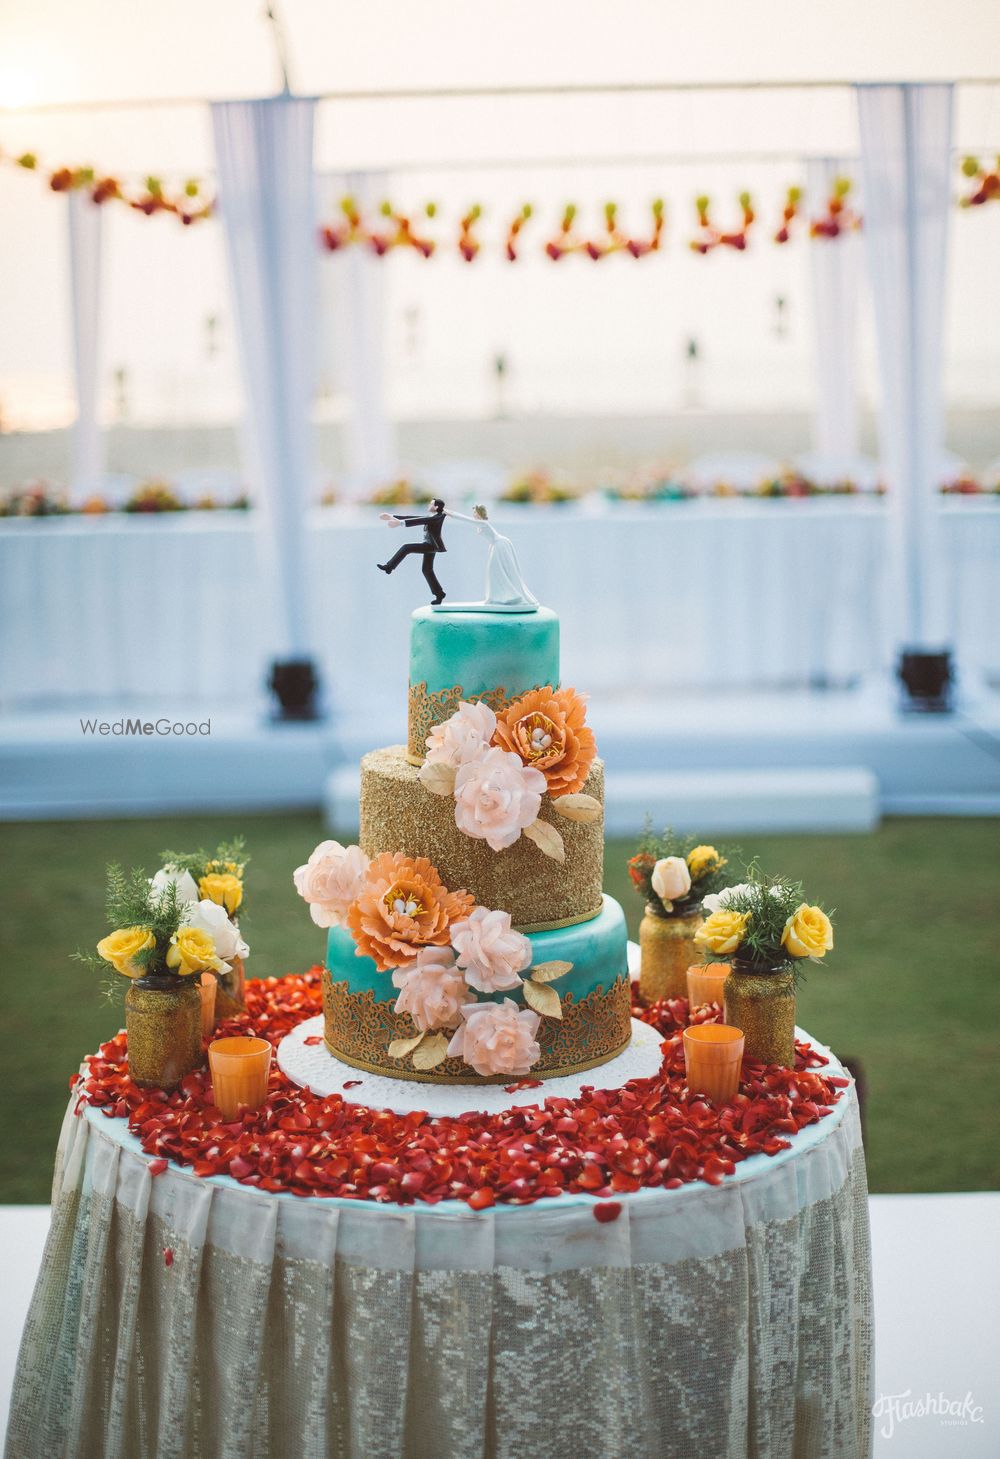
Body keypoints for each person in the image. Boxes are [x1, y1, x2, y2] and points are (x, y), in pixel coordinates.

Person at [443, 505, 538, 610]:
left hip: (500, 544)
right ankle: (499, 597)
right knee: (495, 572)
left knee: (497, 571)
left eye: (475, 513)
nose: (474, 515)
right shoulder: (481, 524)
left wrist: (448, 512)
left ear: (480, 513)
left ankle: (509, 596)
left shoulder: (483, 523)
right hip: (495, 545)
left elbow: (465, 519)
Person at [377, 499, 447, 604]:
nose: (428, 505)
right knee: (427, 570)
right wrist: (391, 516)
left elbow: (418, 521)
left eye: (431, 504)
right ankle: (439, 594)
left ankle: (389, 567)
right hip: (429, 544)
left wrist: (399, 523)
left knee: (407, 548)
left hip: (432, 546)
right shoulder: (431, 516)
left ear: (436, 507)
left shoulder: (438, 517)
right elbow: (413, 518)